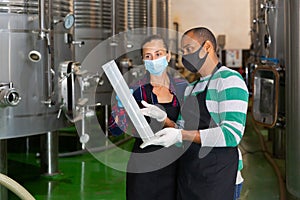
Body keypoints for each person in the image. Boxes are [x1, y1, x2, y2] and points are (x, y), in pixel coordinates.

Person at [141, 27, 249, 200]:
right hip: (190, 176)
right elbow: (182, 132)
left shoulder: (229, 80)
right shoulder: (192, 88)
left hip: (218, 178)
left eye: (189, 50)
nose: (185, 56)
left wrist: (180, 134)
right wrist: (164, 119)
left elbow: (231, 135)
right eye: (183, 52)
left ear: (207, 47)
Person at [108, 34, 188, 200]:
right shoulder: (135, 90)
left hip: (176, 165)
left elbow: (191, 127)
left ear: (168, 56)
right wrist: (119, 108)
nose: (154, 60)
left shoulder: (182, 88)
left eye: (158, 54)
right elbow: (114, 130)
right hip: (143, 168)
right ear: (143, 61)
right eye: (148, 56)